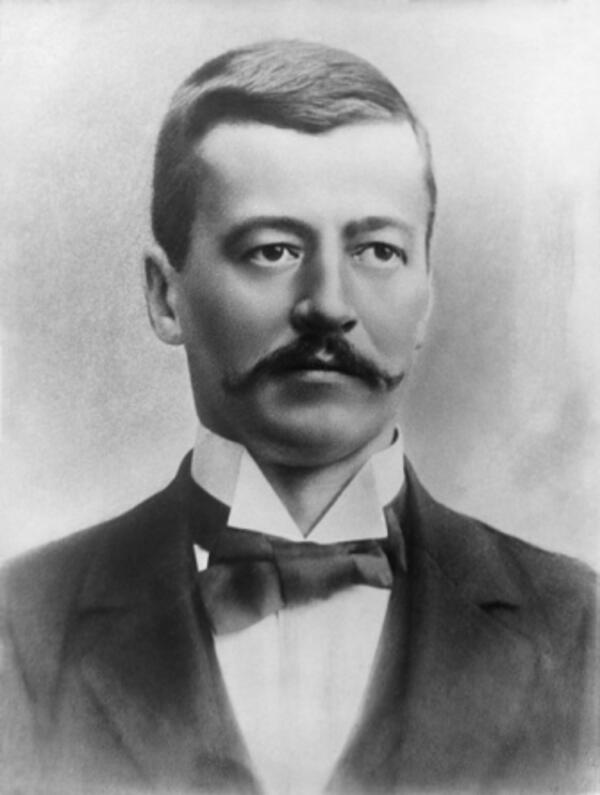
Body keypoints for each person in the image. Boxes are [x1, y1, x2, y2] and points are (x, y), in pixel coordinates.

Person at [0, 40, 597, 795]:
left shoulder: (578, 627)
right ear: (164, 296)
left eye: (377, 250)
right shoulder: (19, 626)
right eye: (273, 250)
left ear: (426, 296)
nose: (329, 304)